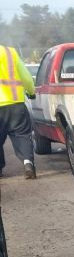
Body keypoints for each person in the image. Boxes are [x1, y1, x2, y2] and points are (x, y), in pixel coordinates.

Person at [0, 45, 36, 179]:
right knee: (22, 135)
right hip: (15, 103)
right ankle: (28, 163)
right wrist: (31, 92)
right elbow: (26, 78)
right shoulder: (10, 52)